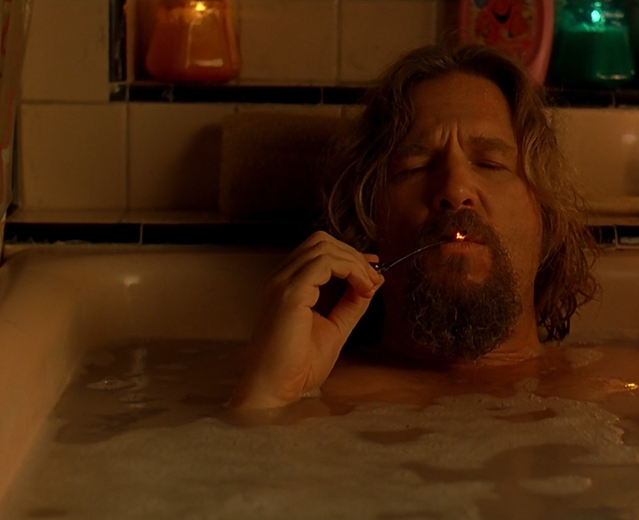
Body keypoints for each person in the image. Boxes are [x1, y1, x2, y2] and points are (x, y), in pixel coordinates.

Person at [228, 44, 598, 411]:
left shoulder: (609, 392)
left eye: (489, 163)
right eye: (415, 167)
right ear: (367, 214)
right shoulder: (307, 398)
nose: (455, 189)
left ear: (546, 215)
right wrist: (266, 396)